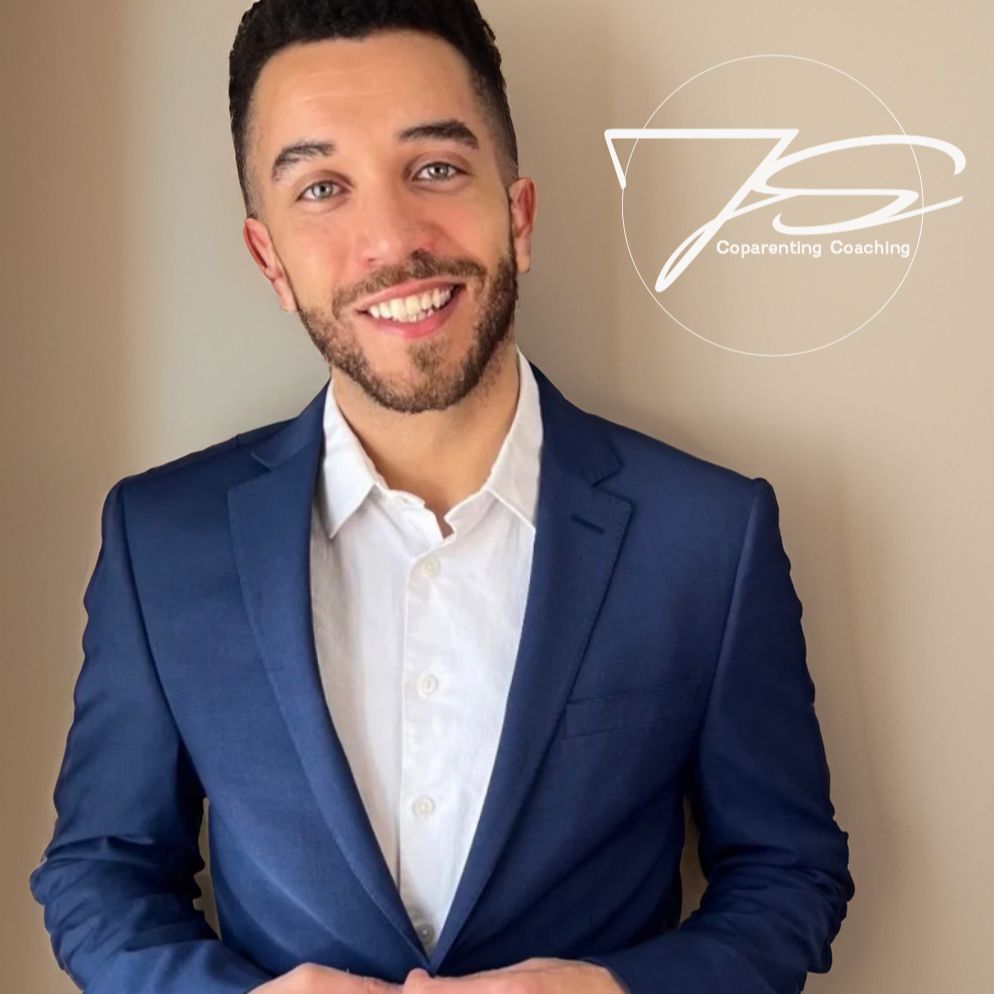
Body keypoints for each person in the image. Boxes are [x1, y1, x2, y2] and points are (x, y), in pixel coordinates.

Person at [29, 2, 855, 993]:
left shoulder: (709, 535)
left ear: (518, 215)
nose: (390, 239)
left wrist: (616, 992)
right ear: (269, 260)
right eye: (321, 187)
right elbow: (100, 874)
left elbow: (787, 874)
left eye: (434, 168)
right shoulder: (158, 541)